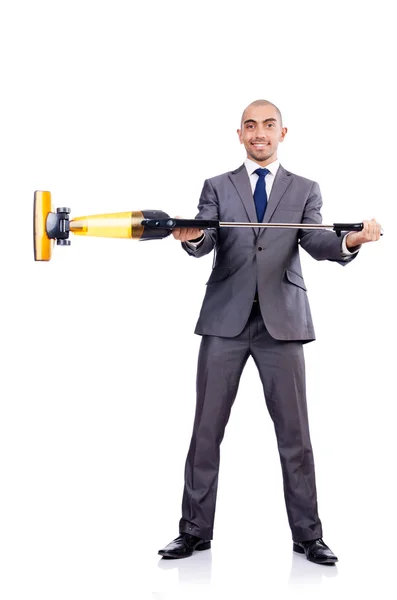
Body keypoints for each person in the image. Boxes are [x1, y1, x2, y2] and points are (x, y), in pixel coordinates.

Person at [158, 99, 382, 565]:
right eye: (250, 126)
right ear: (238, 134)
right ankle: (194, 531)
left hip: (282, 322)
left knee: (295, 434)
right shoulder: (217, 186)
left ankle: (308, 535)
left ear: (284, 133)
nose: (259, 133)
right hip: (225, 322)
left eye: (268, 125)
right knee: (206, 429)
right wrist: (194, 237)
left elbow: (318, 240)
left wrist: (351, 240)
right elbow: (206, 238)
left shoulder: (305, 189)